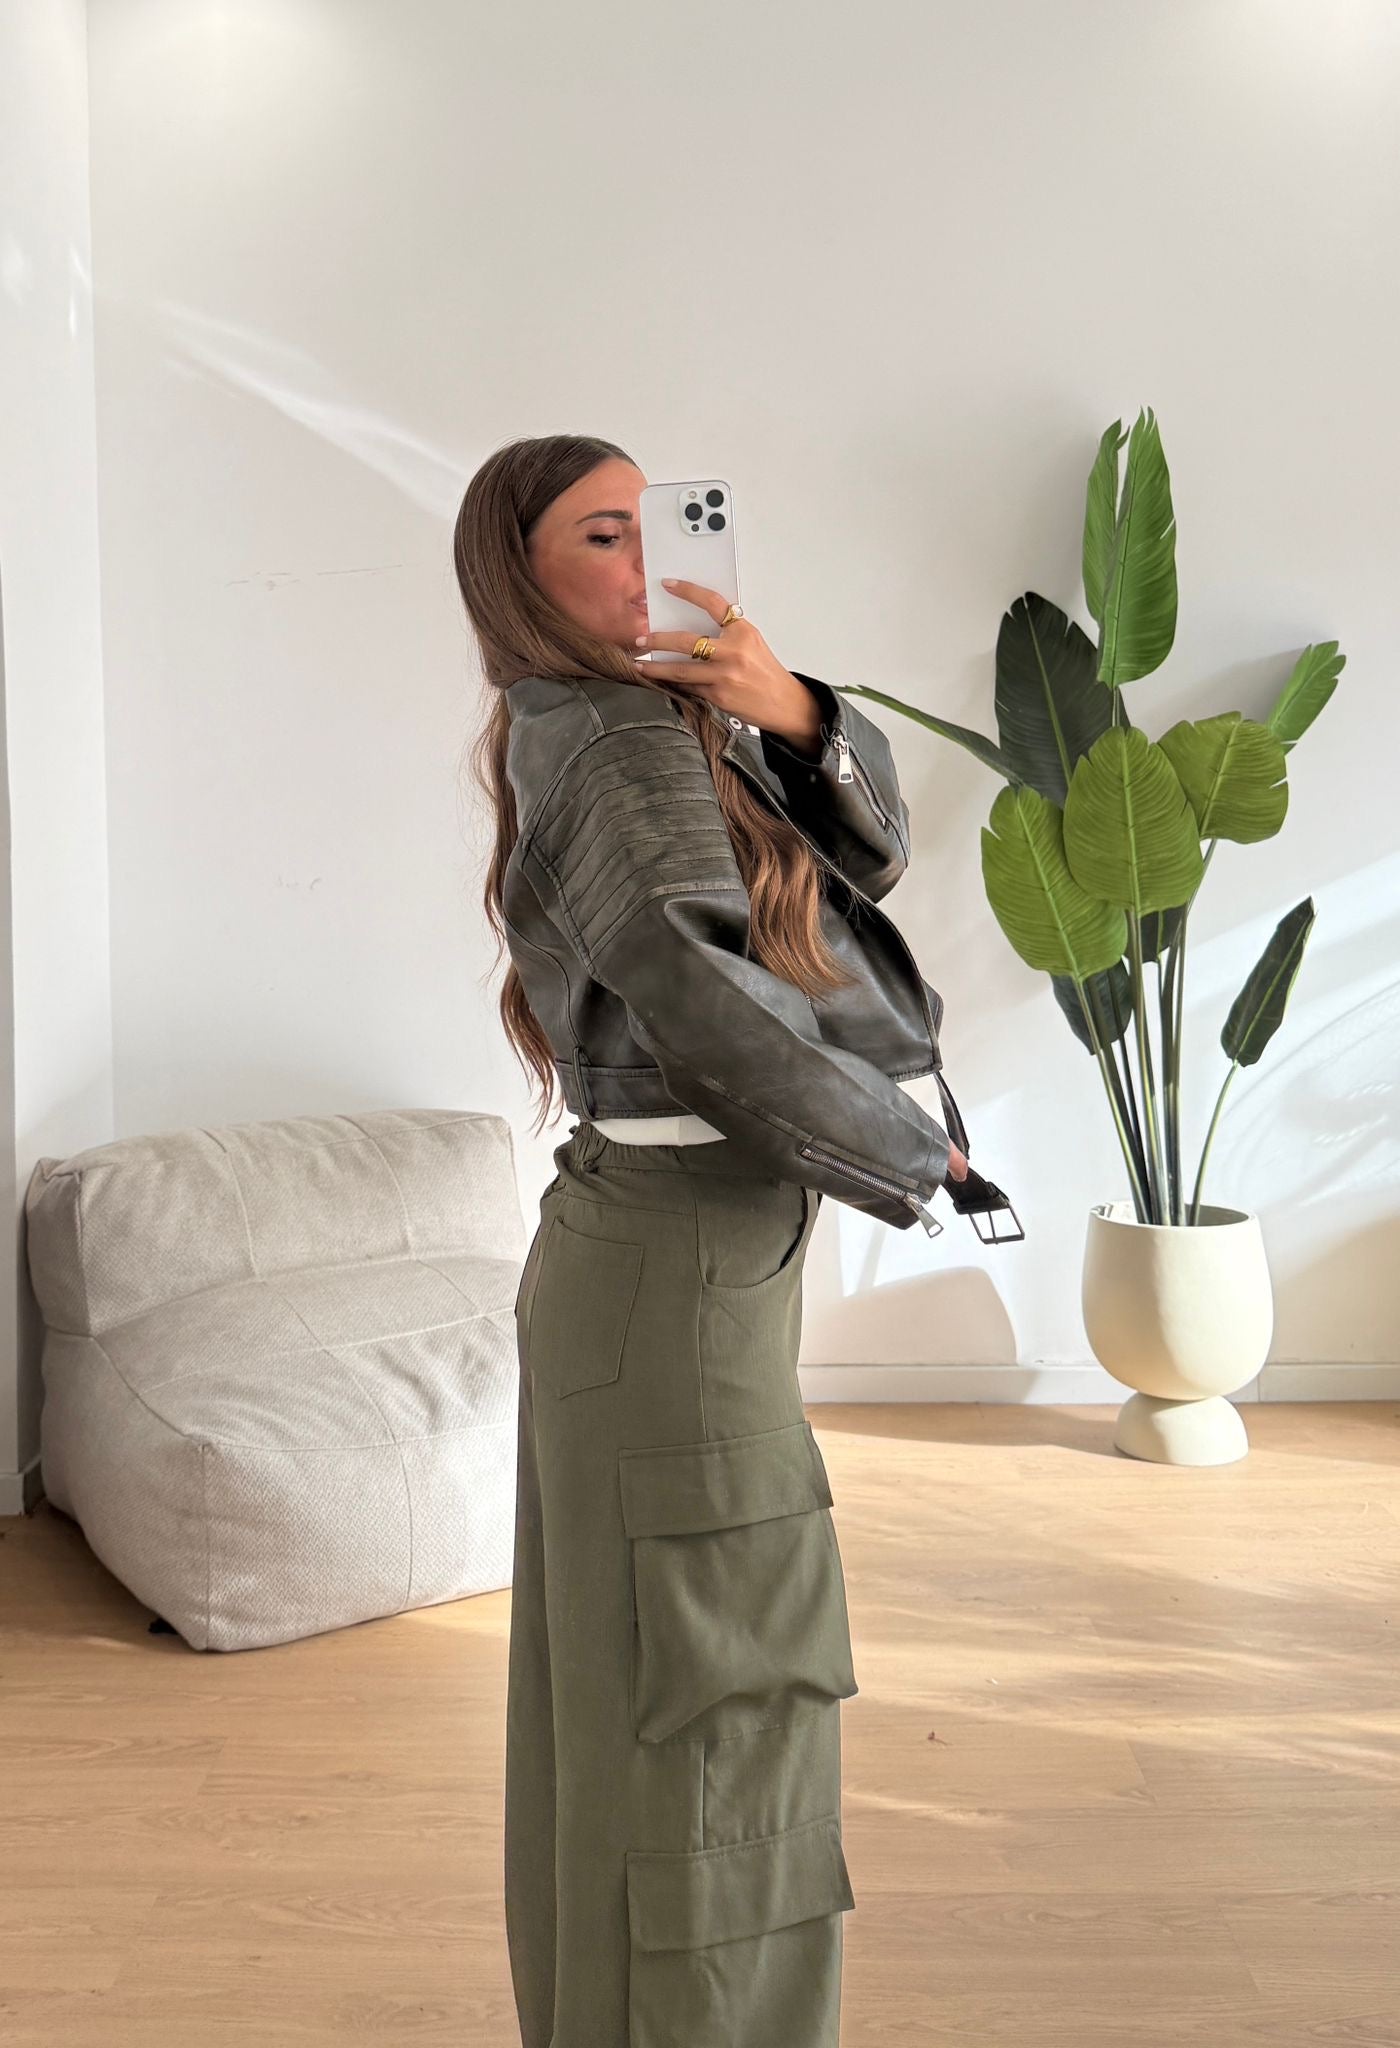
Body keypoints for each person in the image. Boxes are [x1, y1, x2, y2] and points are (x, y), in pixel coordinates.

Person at [453, 434, 970, 2048]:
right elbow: (703, 997)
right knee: (714, 1724)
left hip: (660, 1265)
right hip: (674, 1270)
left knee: (645, 1720)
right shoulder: (613, 737)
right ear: (522, 578)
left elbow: (861, 866)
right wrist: (922, 1159)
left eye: (650, 525)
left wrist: (793, 711)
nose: (644, 564)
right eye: (601, 537)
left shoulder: (627, 719)